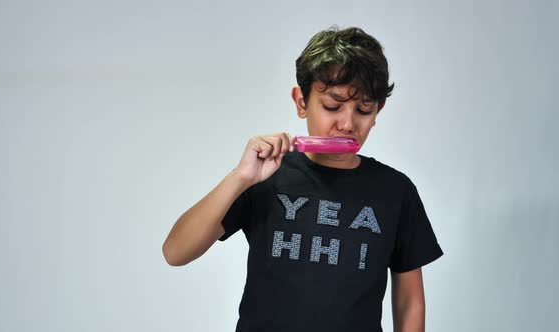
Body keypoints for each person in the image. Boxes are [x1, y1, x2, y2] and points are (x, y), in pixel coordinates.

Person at [162, 25, 444, 332]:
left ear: (378, 110)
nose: (347, 124)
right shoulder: (265, 177)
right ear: (301, 102)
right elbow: (175, 252)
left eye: (363, 109)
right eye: (332, 106)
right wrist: (240, 177)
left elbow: (410, 300)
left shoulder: (395, 190)